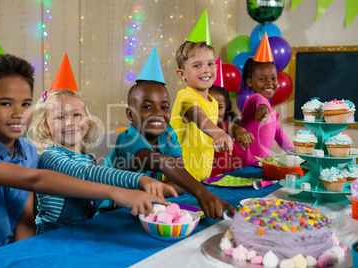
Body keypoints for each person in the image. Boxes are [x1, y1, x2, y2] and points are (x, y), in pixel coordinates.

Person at [0, 53, 175, 258]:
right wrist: (125, 188)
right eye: (5, 103)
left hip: (12, 251)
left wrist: (24, 255)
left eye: (25, 104)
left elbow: (25, 218)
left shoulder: (27, 151)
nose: (18, 113)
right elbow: (38, 179)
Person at [103, 47, 236, 219]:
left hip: (141, 206)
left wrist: (153, 192)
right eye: (147, 107)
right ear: (130, 114)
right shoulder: (128, 140)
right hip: (110, 211)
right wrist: (201, 193)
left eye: (164, 107)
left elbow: (177, 178)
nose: (158, 112)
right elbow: (162, 162)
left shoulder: (169, 134)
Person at [170, 41, 233, 181]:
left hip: (201, 176)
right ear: (182, 74)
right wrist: (218, 134)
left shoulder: (214, 103)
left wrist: (218, 142)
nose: (206, 70)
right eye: (197, 65)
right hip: (178, 177)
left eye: (210, 64)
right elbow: (198, 115)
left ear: (216, 67)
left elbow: (204, 135)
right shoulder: (185, 96)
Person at [236, 33, 293, 167]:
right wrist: (263, 109)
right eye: (262, 79)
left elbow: (281, 136)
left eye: (273, 78)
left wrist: (295, 155)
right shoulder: (254, 100)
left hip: (257, 166)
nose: (269, 83)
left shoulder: (271, 114)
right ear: (250, 82)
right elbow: (260, 102)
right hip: (242, 164)